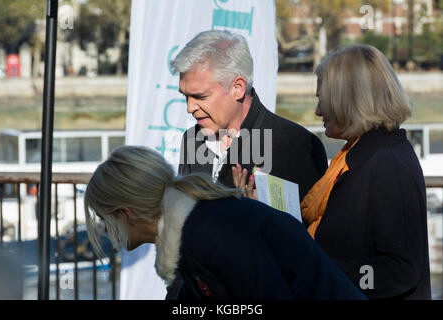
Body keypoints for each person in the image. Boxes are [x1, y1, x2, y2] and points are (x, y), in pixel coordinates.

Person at [84, 145, 366, 300]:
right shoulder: (197, 224)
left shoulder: (210, 230)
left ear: (127, 212)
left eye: (103, 217)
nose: (105, 229)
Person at [300, 44, 431, 299]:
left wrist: (326, 270)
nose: (318, 111)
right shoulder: (361, 156)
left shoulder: (387, 164)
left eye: (321, 100)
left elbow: (399, 271)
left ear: (347, 100)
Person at [171, 30, 327, 201]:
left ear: (237, 88)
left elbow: (310, 224)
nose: (189, 107)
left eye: (200, 96)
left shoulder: (296, 146)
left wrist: (256, 214)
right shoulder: (192, 140)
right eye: (185, 96)